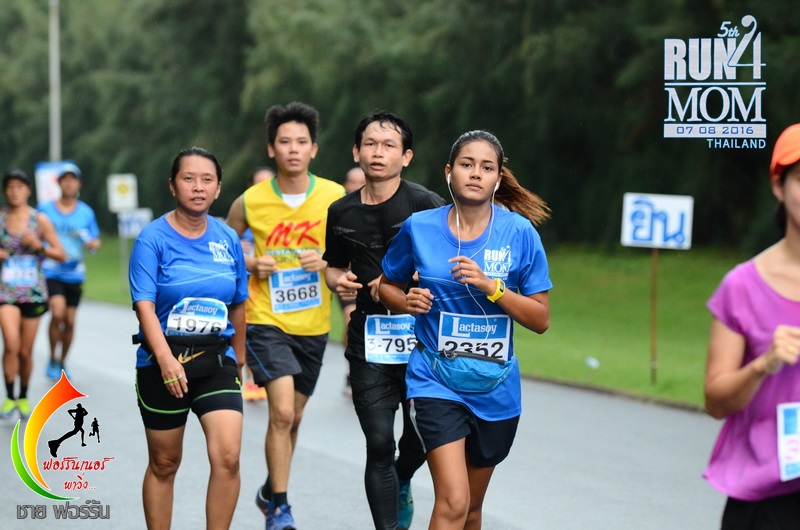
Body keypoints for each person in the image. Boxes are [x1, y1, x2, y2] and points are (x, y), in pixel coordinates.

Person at [379, 130, 552, 529]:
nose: (476, 173)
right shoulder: (419, 227)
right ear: (449, 172)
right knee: (453, 501)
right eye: (466, 164)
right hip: (435, 379)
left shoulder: (519, 233)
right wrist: (406, 301)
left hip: (495, 386)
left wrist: (493, 287)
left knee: (471, 510)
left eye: (486, 167)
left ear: (498, 178)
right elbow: (386, 286)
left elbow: (540, 319)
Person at [225, 101, 344, 530]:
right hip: (265, 319)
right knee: (280, 413)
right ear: (271, 149)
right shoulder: (250, 201)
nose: (293, 149)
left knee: (293, 416)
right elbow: (222, 247)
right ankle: (280, 507)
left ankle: (269, 491)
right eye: (285, 141)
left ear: (314, 149)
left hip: (314, 323)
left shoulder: (334, 196)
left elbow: (351, 251)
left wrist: (327, 260)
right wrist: (250, 262)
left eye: (301, 141)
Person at [324, 111, 444, 530]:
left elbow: (449, 260)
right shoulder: (341, 211)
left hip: (423, 340)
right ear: (356, 152)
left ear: (406, 156)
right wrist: (339, 281)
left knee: (421, 440)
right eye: (370, 144)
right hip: (369, 340)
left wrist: (410, 283)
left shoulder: (426, 204)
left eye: (389, 145)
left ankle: (403, 475)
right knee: (378, 443)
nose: (378, 152)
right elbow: (333, 266)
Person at [129, 147, 248, 530]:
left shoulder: (227, 238)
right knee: (165, 463)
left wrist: (240, 361)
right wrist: (166, 361)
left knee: (228, 457)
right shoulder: (152, 239)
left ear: (218, 189)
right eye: (189, 179)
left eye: (207, 180)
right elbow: (144, 306)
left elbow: (239, 303)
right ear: (172, 185)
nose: (198, 187)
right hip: (162, 362)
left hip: (216, 361)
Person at [702, 124, 800, 529]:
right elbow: (716, 401)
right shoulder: (742, 286)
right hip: (767, 499)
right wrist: (762, 365)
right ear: (779, 186)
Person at [0, 170, 65, 420]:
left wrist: (39, 247)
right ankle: (9, 396)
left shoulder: (39, 220)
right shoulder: (1, 219)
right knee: (11, 343)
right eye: (10, 187)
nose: (15, 191)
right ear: (5, 191)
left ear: (28, 190)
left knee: (25, 352)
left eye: (20, 186)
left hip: (33, 293)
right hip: (6, 292)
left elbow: (60, 253)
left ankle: (24, 396)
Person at [38, 162, 101, 380]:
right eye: (64, 179)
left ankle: (62, 361)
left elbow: (95, 240)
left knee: (70, 320)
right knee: (57, 313)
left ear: (78, 184)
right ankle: (52, 356)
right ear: (58, 183)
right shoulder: (45, 209)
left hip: (75, 273)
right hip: (51, 270)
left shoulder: (86, 212)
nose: (68, 183)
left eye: (72, 180)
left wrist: (92, 244)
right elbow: (35, 233)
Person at [240, 166, 275, 402]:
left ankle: (268, 376)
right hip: (247, 285)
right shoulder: (244, 214)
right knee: (249, 332)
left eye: (268, 183)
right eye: (258, 183)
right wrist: (240, 248)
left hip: (276, 287)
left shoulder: (284, 216)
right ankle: (252, 379)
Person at [338, 166, 366, 398]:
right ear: (345, 185)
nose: (356, 186)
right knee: (351, 322)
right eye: (352, 182)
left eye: (360, 182)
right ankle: (353, 370)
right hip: (348, 279)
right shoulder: (338, 212)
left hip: (374, 280)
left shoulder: (380, 209)